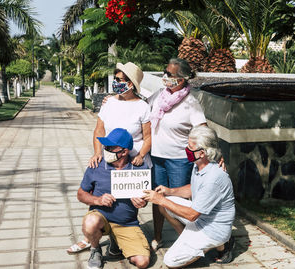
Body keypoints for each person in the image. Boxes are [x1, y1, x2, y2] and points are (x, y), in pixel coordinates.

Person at [67, 62, 151, 254]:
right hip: (109, 156)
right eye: (116, 79)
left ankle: (120, 234)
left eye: (120, 80)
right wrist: (98, 153)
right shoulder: (110, 102)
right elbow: (99, 130)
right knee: (101, 192)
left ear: (131, 83)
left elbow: (148, 137)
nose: (116, 83)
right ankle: (92, 237)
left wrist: (141, 156)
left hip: (131, 160)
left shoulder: (142, 107)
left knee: (128, 200)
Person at [143, 125, 235, 268]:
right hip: (201, 218)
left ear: (203, 152)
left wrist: (160, 199)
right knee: (164, 205)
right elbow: (194, 188)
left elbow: (192, 215)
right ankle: (190, 241)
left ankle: (210, 246)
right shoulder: (198, 164)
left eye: (190, 147)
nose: (187, 149)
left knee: (170, 261)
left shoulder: (213, 177)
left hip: (212, 229)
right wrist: (169, 191)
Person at [147, 58, 207, 250]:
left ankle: (187, 240)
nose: (165, 77)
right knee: (157, 199)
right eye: (165, 72)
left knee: (178, 203)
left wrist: (210, 156)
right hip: (156, 157)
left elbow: (202, 130)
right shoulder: (158, 96)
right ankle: (158, 236)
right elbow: (141, 109)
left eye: (170, 74)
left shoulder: (190, 103)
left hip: (179, 160)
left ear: (181, 79)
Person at [77, 128, 150, 269]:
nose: (106, 149)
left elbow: (146, 198)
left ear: (124, 152)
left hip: (127, 223)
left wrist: (142, 202)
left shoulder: (139, 169)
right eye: (106, 146)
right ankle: (95, 249)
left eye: (110, 147)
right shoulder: (96, 164)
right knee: (90, 222)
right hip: (101, 218)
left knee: (143, 263)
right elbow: (81, 194)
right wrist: (97, 200)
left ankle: (116, 242)